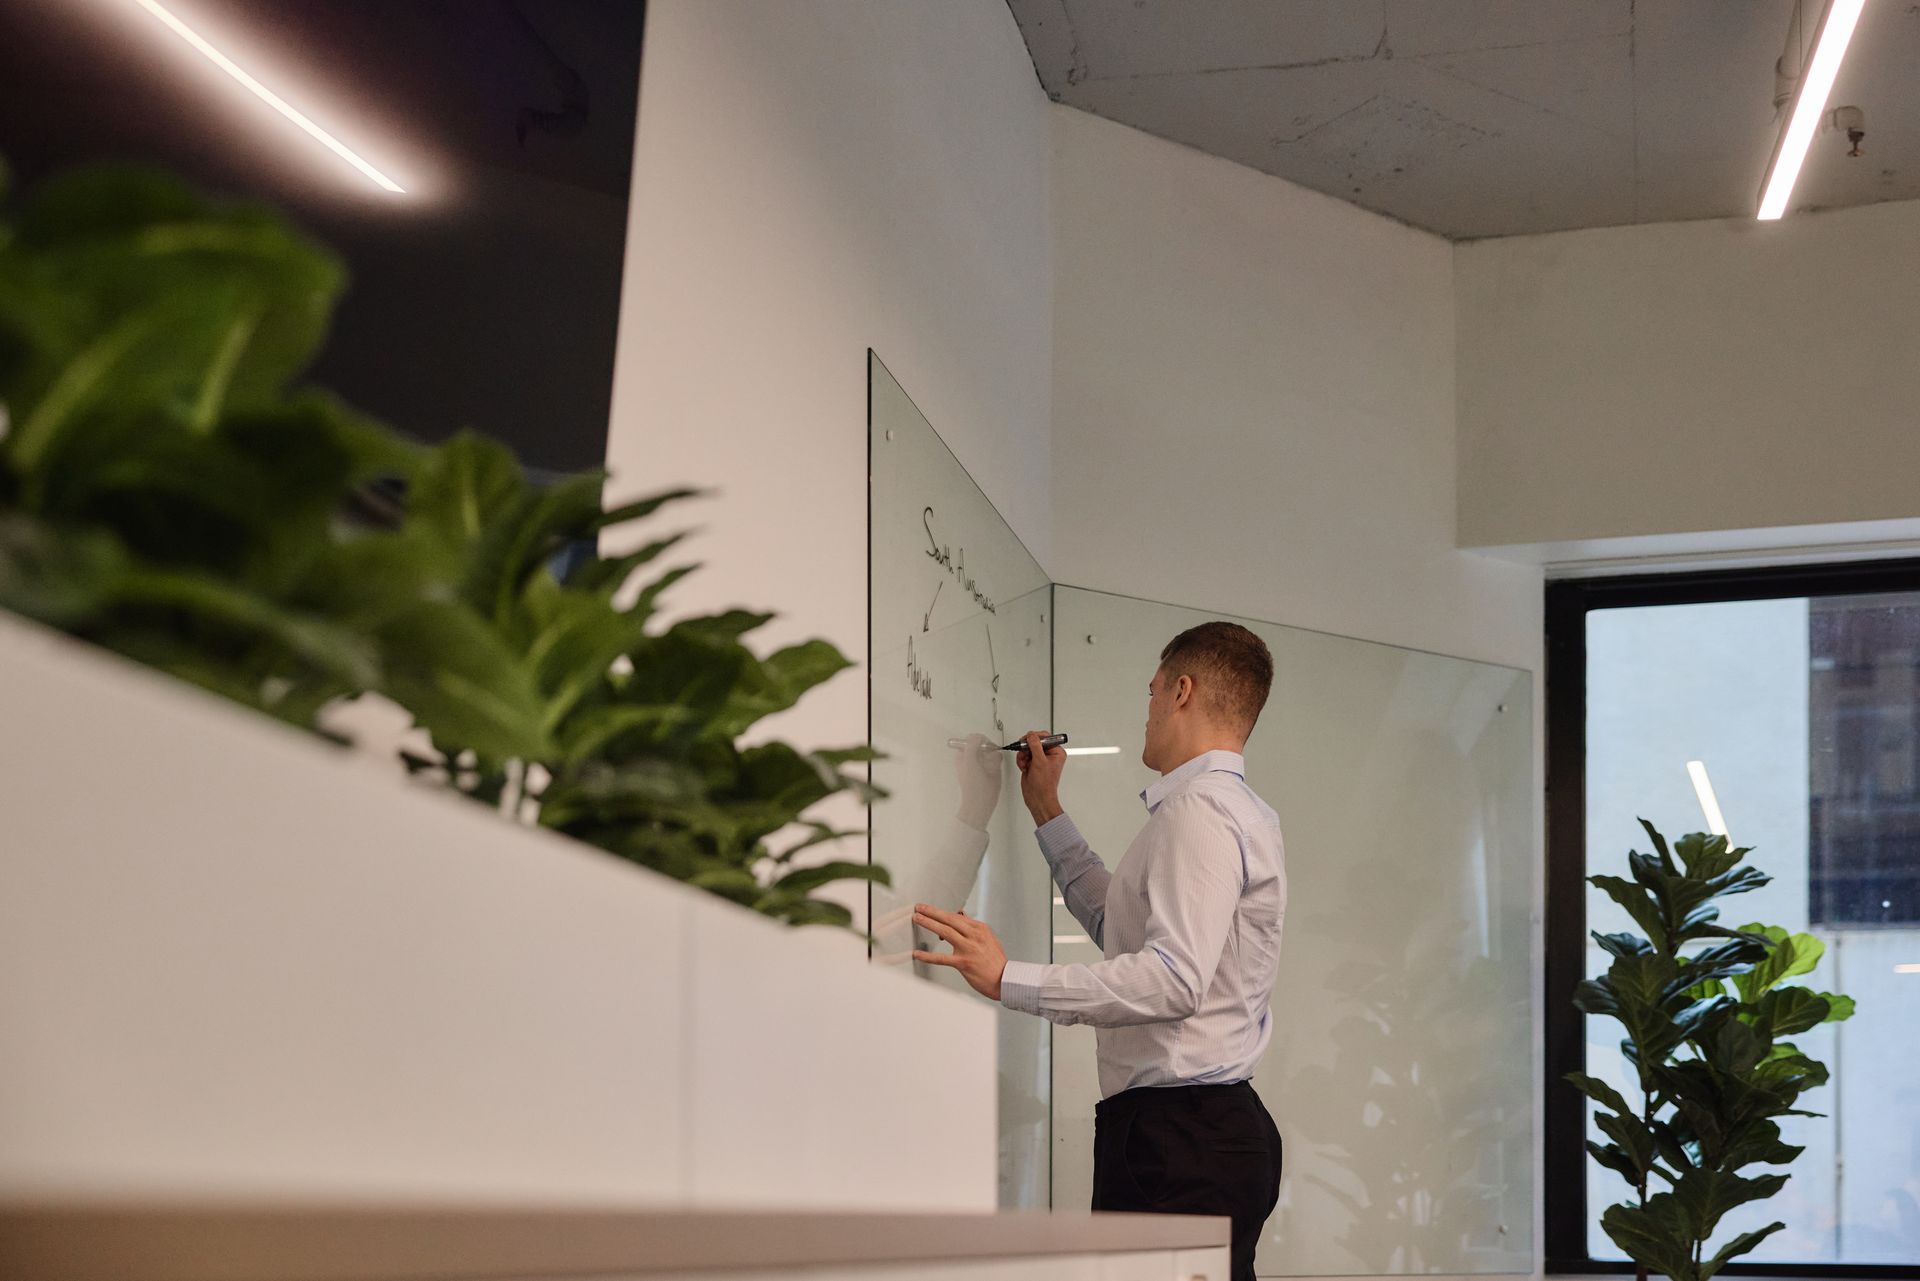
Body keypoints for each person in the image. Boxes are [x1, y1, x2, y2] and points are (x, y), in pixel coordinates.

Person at [913, 621, 1287, 1281]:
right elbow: (1123, 926)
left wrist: (1009, 978)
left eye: (1150, 693)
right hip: (1195, 1132)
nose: (1145, 712)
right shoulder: (1237, 809)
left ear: (1181, 690)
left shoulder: (1197, 812)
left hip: (1180, 1141)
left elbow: (1174, 980)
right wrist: (1047, 809)